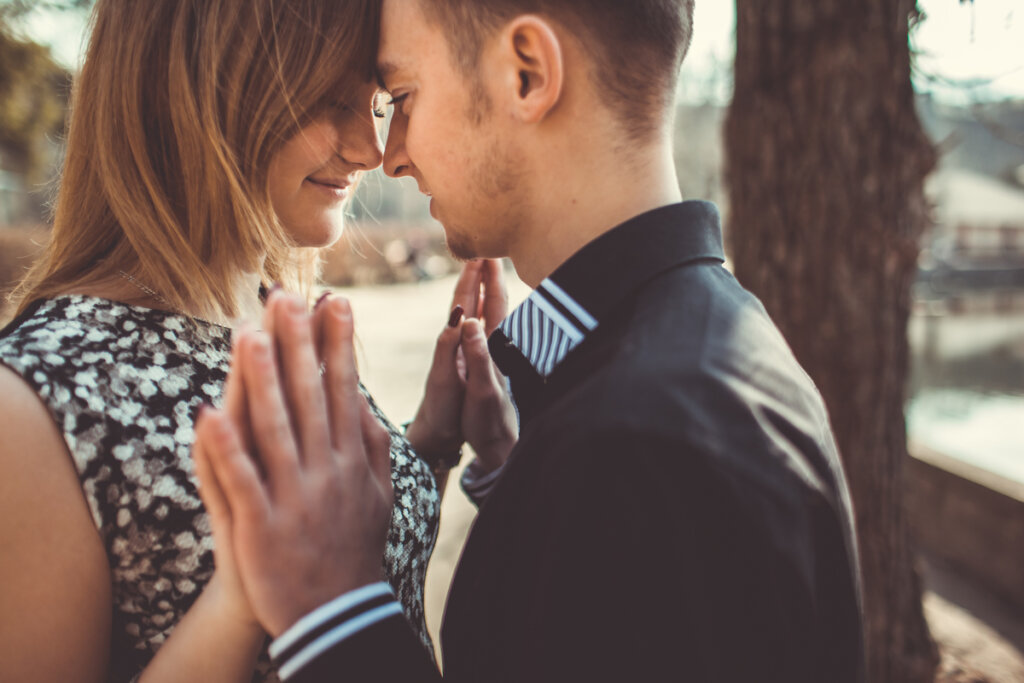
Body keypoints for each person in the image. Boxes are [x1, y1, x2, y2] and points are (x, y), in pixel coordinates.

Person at [196, 0, 867, 681]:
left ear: (527, 74)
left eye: (402, 96)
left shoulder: (635, 448)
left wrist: (332, 604)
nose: (389, 154)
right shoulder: (701, 341)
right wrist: (519, 478)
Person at [0, 0, 514, 680]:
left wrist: (430, 443)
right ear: (201, 91)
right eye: (330, 100)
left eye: (376, 101)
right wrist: (245, 591)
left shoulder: (274, 310)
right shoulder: (30, 408)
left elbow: (353, 563)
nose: (371, 148)